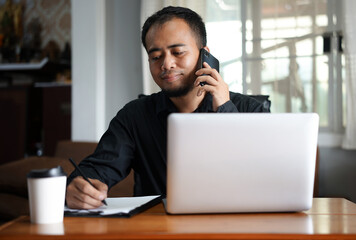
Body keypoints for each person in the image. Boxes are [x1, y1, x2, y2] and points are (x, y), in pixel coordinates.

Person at [66, 6, 269, 209]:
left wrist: (225, 110)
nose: (166, 64)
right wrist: (79, 187)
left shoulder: (251, 110)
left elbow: (266, 177)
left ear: (204, 55)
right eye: (155, 57)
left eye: (178, 52)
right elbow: (98, 169)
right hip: (157, 229)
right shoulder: (134, 116)